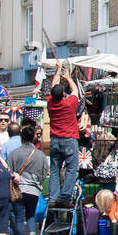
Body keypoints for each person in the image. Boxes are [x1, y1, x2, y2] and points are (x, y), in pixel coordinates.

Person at [44, 63, 84, 206]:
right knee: (71, 169)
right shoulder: (69, 104)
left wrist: (57, 70)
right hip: (69, 139)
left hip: (55, 140)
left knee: (54, 170)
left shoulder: (50, 103)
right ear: (62, 95)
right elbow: (75, 91)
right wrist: (68, 77)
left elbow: (52, 87)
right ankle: (65, 197)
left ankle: (53, 198)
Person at [6, 124, 47, 235]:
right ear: (33, 137)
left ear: (21, 137)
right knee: (30, 215)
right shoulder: (40, 155)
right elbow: (44, 173)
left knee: (18, 217)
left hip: (18, 189)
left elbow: (9, 171)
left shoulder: (14, 153)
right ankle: (32, 234)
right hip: (33, 190)